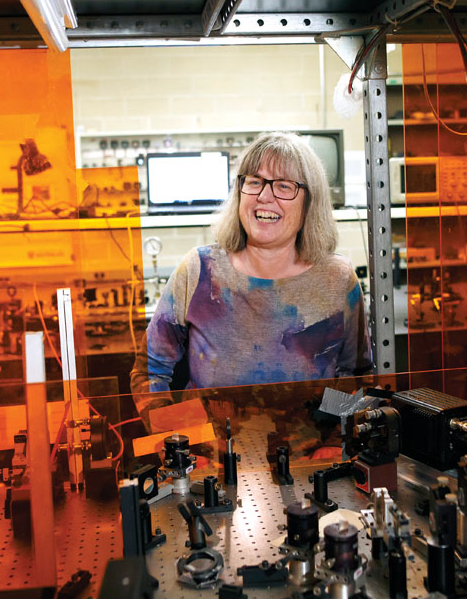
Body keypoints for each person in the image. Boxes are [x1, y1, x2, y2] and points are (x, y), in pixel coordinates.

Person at [130, 131, 373, 424]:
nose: (264, 196)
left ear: (310, 202)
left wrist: (327, 439)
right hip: (215, 460)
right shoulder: (199, 270)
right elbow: (149, 371)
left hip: (313, 463)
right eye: (254, 182)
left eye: (284, 186)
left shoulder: (337, 279)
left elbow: (356, 376)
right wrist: (180, 441)